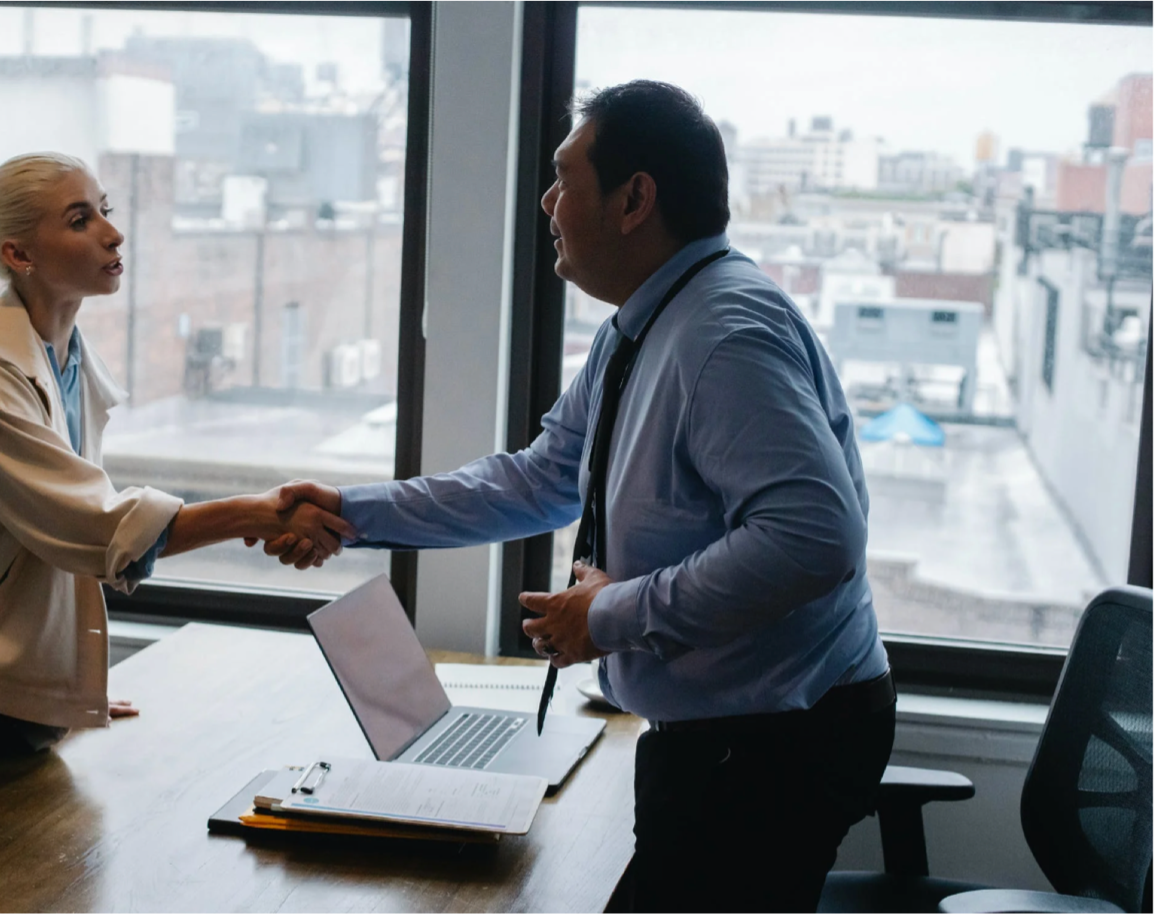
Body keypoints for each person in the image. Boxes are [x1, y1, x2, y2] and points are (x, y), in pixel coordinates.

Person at [278, 81, 894, 913]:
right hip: (724, 736)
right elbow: (540, 479)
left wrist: (607, 616)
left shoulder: (725, 332)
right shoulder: (645, 323)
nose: (547, 201)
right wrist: (353, 513)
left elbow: (815, 537)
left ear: (635, 198)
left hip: (772, 743)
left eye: (565, 177)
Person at [0, 152, 354, 830]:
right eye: (80, 219)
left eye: (106, 211)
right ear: (18, 252)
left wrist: (66, 687)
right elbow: (91, 528)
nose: (112, 234)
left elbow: (56, 539)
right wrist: (260, 513)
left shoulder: (62, 355)